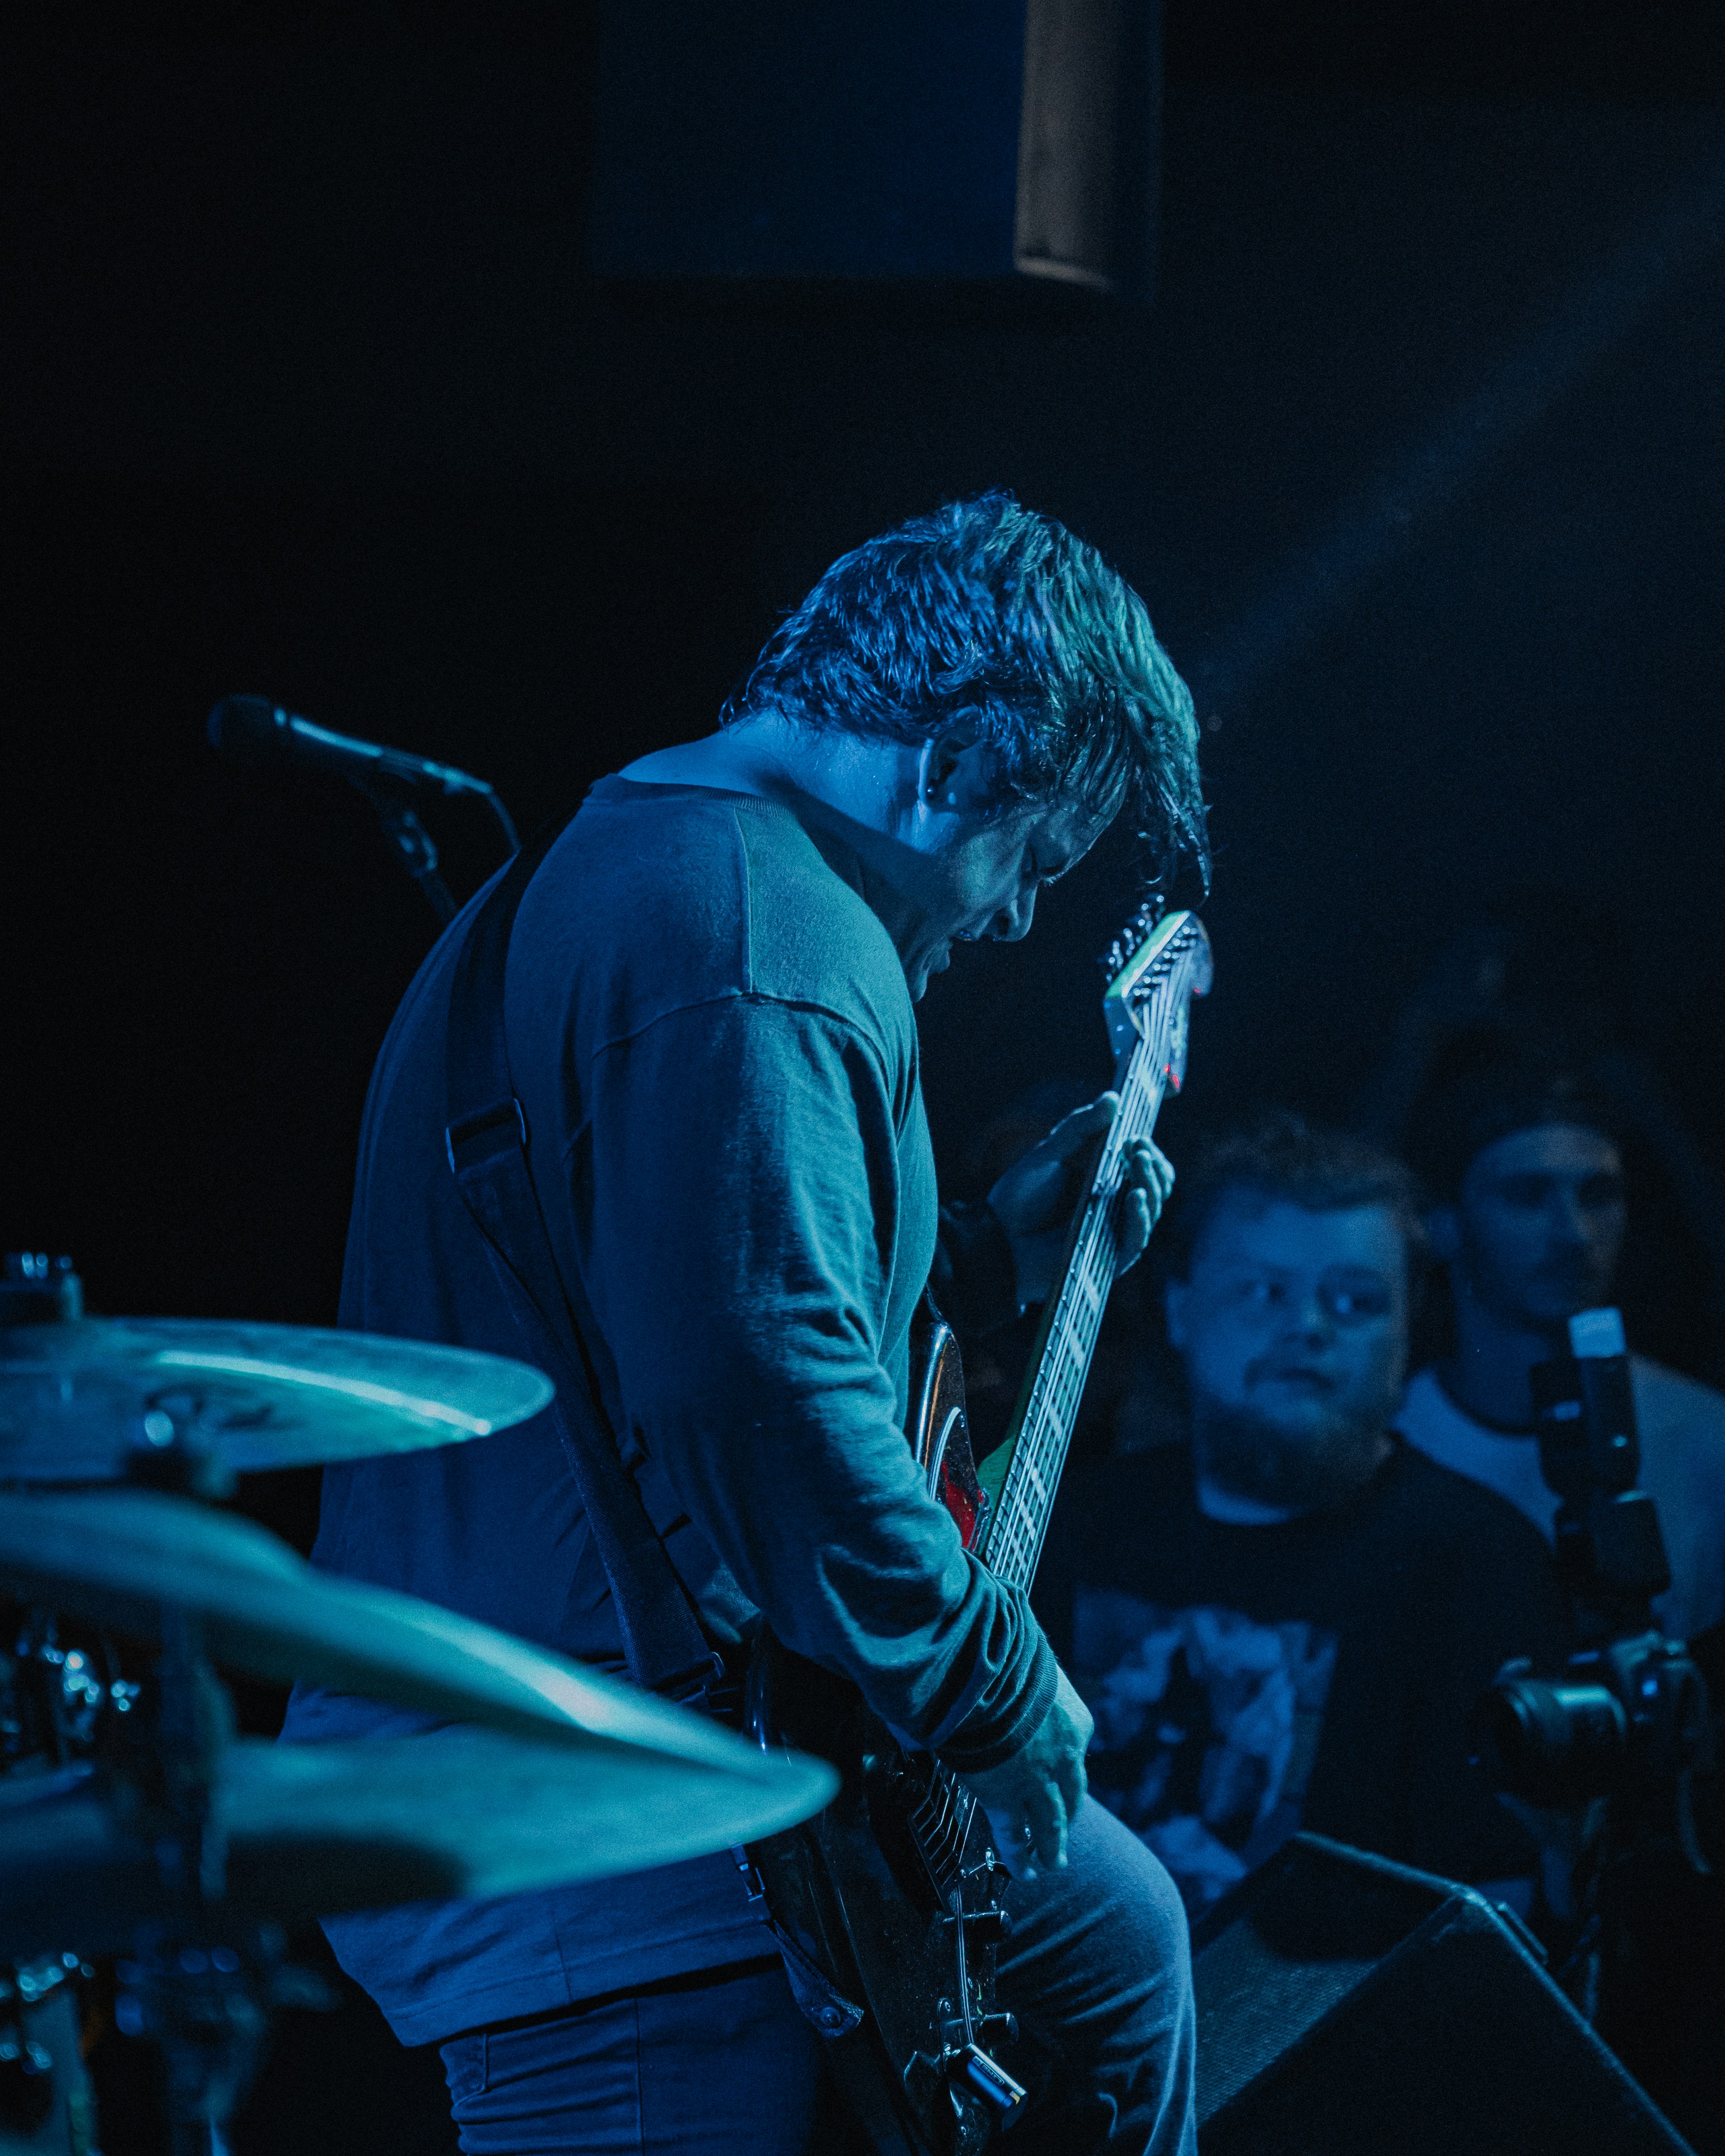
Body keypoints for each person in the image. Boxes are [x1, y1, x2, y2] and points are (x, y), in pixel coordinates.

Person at [283, 493, 1209, 2155]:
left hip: (628, 1777)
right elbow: (750, 1383)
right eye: (1030, 863)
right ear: (957, 758)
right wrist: (993, 1693)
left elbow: (677, 1303)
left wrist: (996, 1266)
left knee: (1114, 1938)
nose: (1007, 923)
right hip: (602, 1824)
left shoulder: (659, 864)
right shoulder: (757, 935)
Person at [1034, 1113, 1568, 1922]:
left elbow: (1486, 1915)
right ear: (1179, 1307)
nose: (1306, 1326)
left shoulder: (1480, 1563)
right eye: (1261, 1290)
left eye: (1353, 1300)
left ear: (1403, 1331)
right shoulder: (1074, 1520)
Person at [1398, 1052, 1725, 1650]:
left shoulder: (1704, 1440)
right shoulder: (1391, 1443)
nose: (1573, 1233)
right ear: (1442, 1225)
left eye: (1598, 1194)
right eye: (1526, 1195)